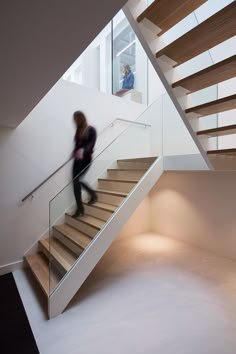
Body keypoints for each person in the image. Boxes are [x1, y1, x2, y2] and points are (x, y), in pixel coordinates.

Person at [71, 111, 97, 218]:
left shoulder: (91, 130)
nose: (75, 121)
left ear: (81, 118)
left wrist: (83, 150)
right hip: (77, 161)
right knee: (75, 183)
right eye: (74, 119)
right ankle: (80, 208)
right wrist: (74, 152)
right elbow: (77, 145)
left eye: (77, 118)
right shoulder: (77, 131)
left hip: (86, 160)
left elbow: (91, 145)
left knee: (79, 179)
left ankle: (93, 194)